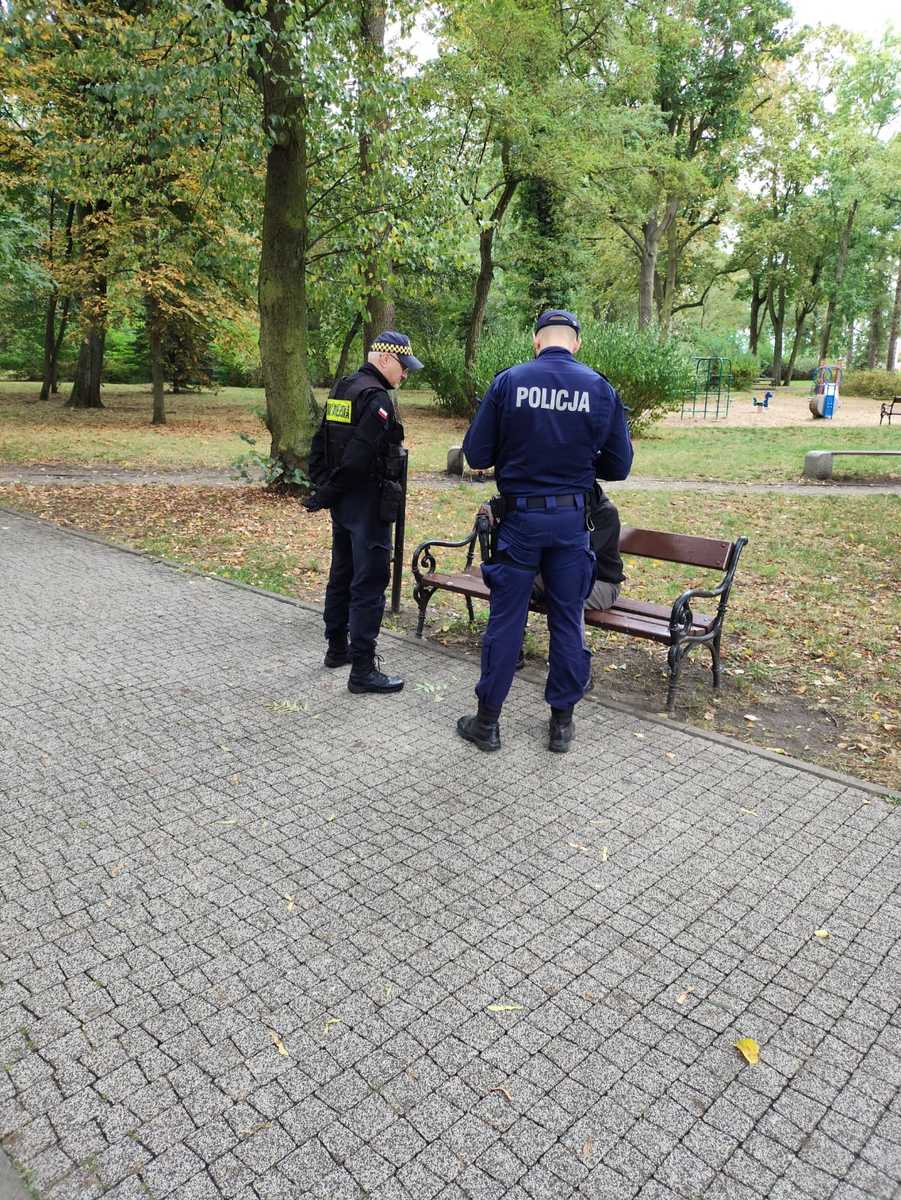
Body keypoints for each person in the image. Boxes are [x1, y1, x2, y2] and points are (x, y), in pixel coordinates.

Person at [457, 310, 633, 753]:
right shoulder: (599, 388)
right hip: (572, 525)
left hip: (520, 523)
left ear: (536, 341)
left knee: (506, 621)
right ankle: (561, 725)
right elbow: (619, 466)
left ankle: (487, 723)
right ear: (577, 343)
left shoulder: (509, 382)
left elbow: (476, 454)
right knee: (567, 620)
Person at [305, 331, 423, 694]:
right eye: (403, 367)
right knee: (369, 583)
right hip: (367, 503)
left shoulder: (344, 387)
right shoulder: (376, 398)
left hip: (343, 503)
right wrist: (327, 492)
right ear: (385, 359)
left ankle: (336, 648)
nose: (405, 374)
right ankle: (362, 671)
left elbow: (320, 441)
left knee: (341, 574)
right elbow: (358, 455)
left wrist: (323, 486)